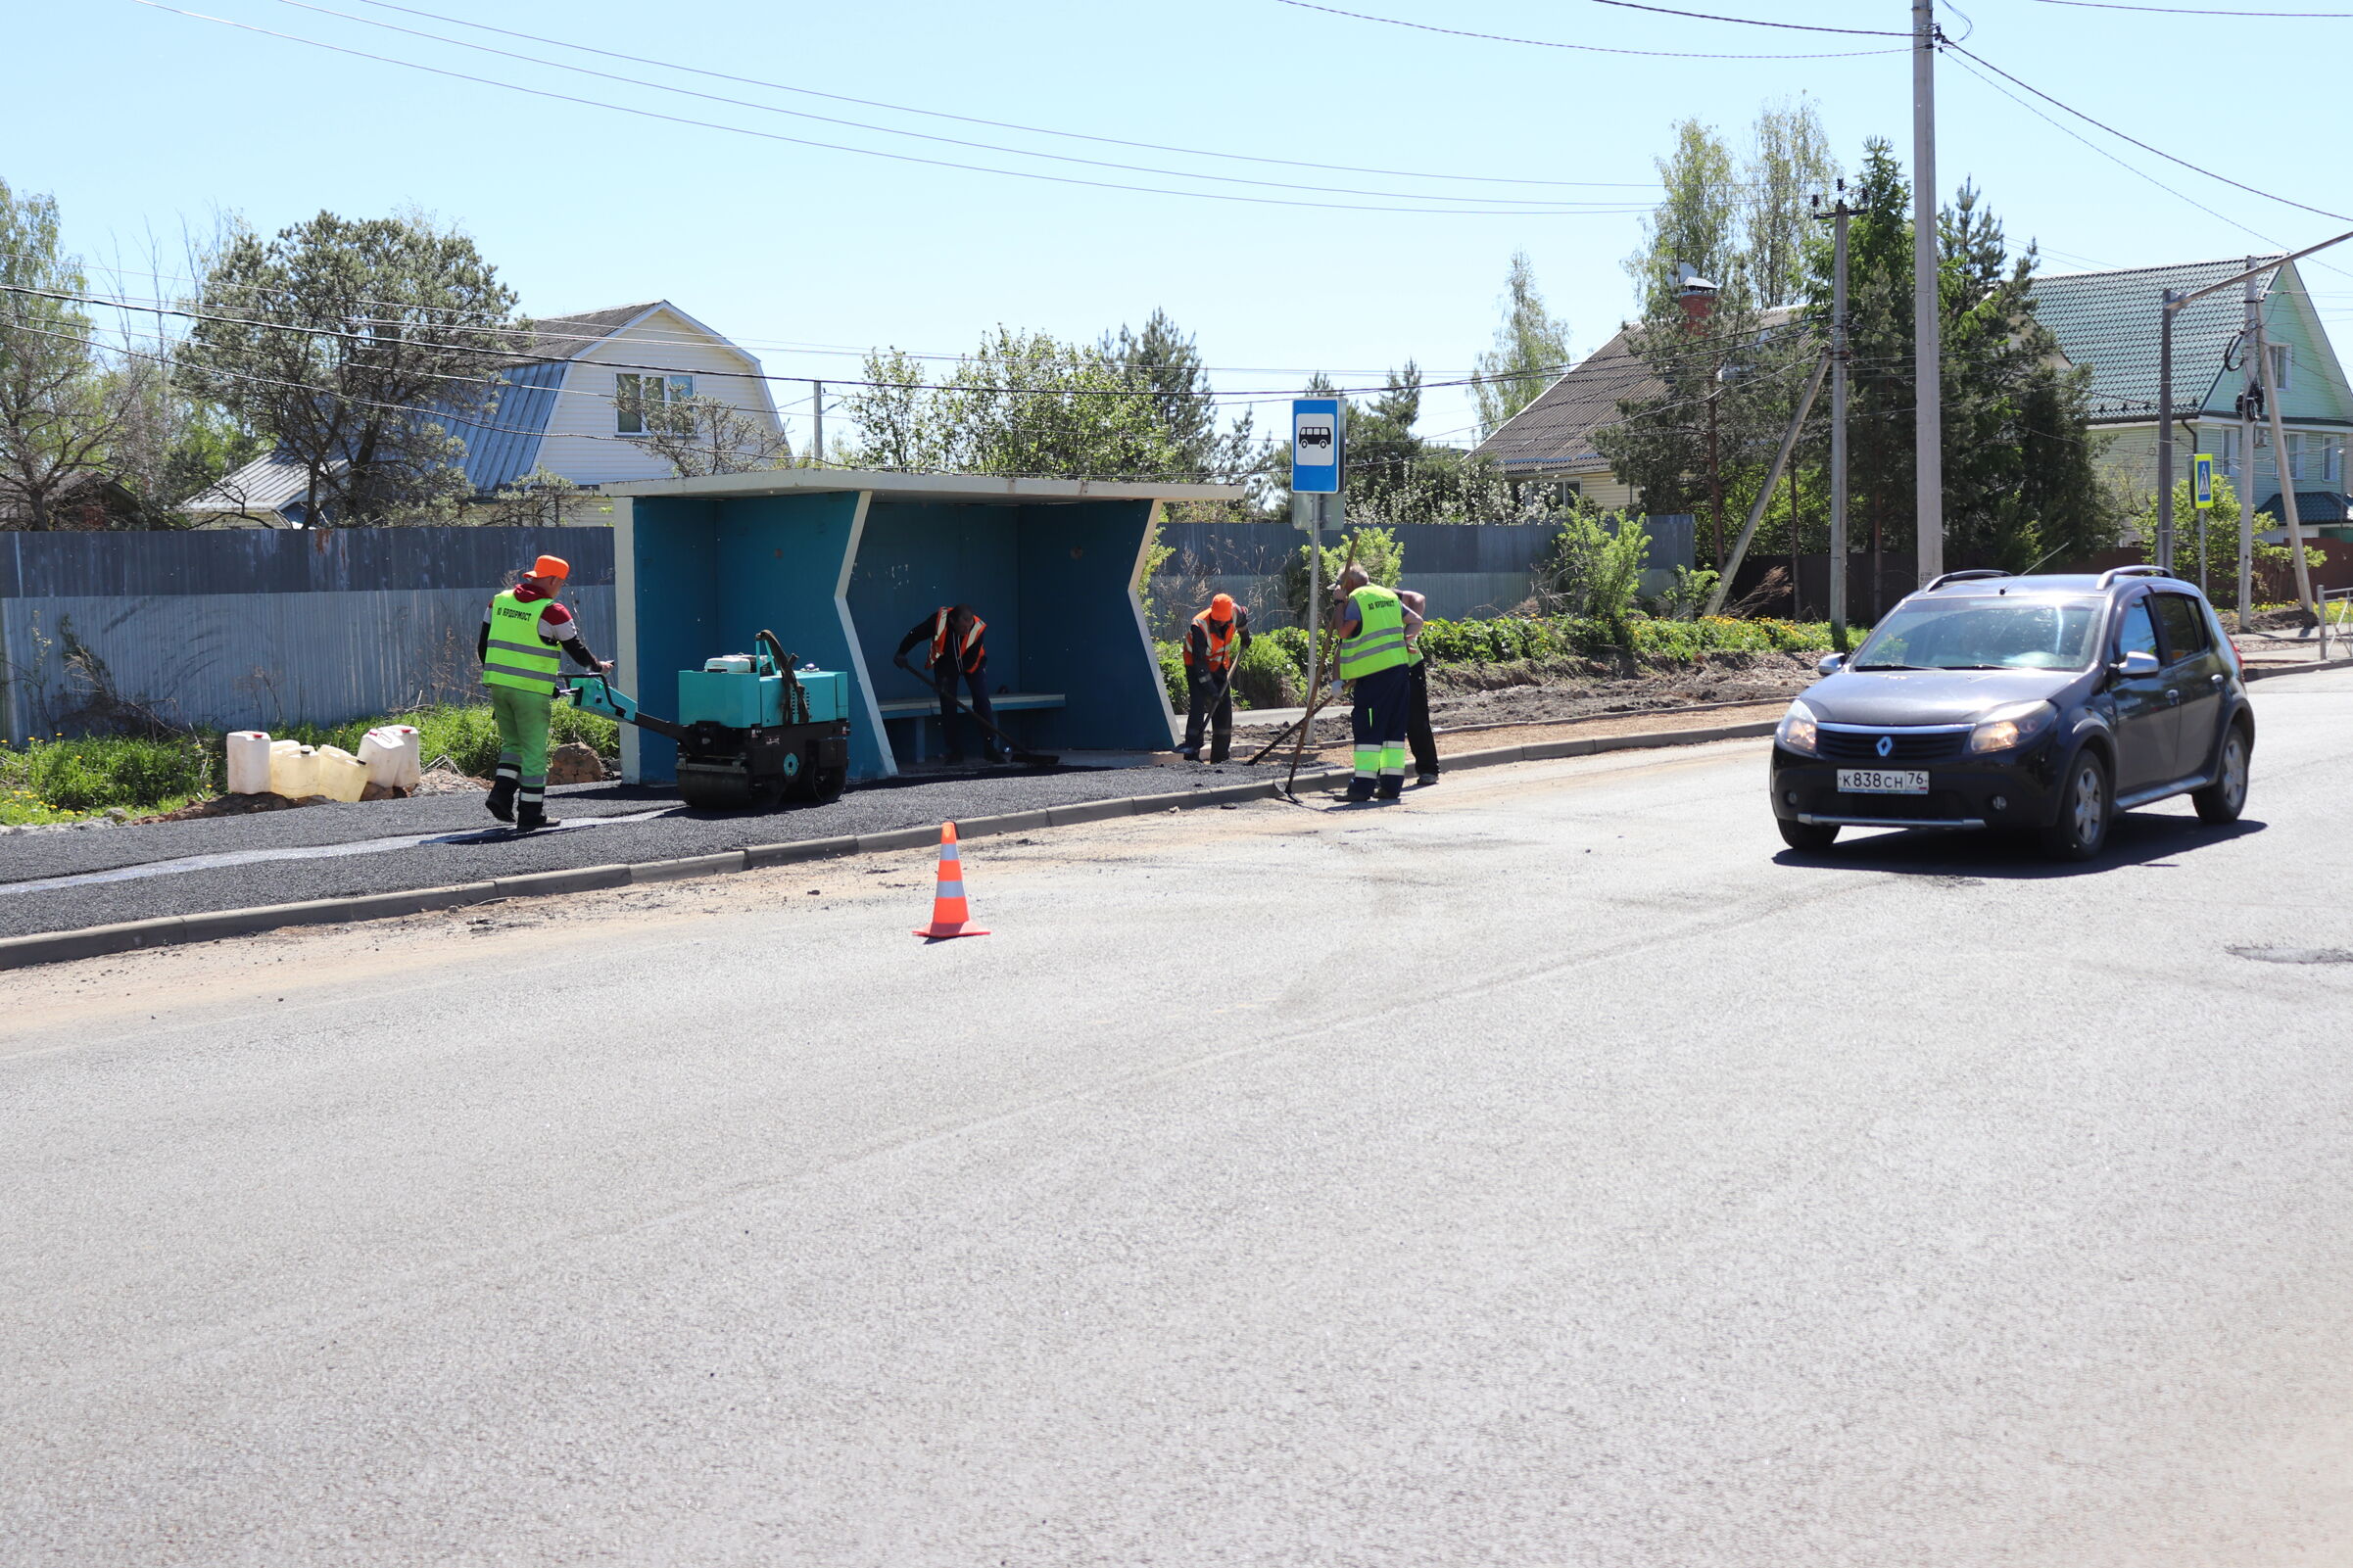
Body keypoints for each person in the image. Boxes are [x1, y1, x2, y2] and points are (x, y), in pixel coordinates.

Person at [478, 554, 610, 831]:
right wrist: (599, 666)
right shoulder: (552, 611)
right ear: (552, 580)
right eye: (560, 584)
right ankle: (530, 814)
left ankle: (500, 796)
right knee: (535, 752)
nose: (559, 589)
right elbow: (576, 650)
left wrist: (503, 677)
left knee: (513, 745)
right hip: (530, 692)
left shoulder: (499, 601)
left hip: (498, 685)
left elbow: (484, 646)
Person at [1327, 567, 1422, 802]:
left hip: (1373, 678)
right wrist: (1403, 640)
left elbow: (1343, 631)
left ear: (1347, 585)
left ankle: (1362, 788)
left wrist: (1339, 604)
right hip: (1398, 672)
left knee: (1368, 730)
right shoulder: (1388, 595)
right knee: (1393, 731)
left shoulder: (1356, 599)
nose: (1338, 592)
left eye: (1340, 589)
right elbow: (1416, 621)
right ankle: (1391, 786)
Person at [894, 604, 1008, 764]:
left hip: (972, 663)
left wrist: (945, 682)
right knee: (948, 704)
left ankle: (990, 748)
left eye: (968, 627)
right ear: (952, 621)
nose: (966, 631)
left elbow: (968, 662)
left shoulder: (978, 629)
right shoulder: (938, 622)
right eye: (962, 627)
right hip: (945, 663)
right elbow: (916, 634)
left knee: (982, 700)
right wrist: (901, 652)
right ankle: (955, 751)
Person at [1178, 593, 1251, 763]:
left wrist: (1245, 637)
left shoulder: (1235, 612)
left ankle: (1221, 756)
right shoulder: (1199, 625)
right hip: (1196, 665)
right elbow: (1200, 663)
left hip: (1220, 664)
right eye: (1217, 619)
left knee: (1224, 707)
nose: (1219, 622)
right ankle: (1192, 754)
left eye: (1222, 620)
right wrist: (1211, 690)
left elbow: (1242, 624)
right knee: (1198, 704)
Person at [1403, 591, 1439, 785]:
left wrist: (1407, 635)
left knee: (1416, 719)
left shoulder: (1386, 597)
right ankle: (1382, 775)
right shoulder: (1352, 606)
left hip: (1409, 664)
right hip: (1382, 667)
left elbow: (1419, 598)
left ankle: (1428, 769)